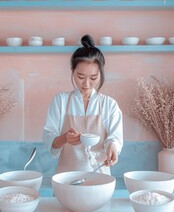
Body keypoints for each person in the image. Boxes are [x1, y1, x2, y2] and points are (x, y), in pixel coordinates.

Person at [43, 34, 123, 175]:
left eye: (93, 78)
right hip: (65, 179)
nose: (86, 84)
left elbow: (115, 138)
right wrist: (64, 139)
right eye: (80, 77)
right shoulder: (60, 101)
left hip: (100, 178)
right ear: (72, 71)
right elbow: (49, 138)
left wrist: (112, 147)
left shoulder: (109, 105)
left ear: (101, 74)